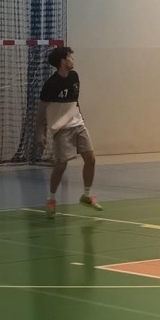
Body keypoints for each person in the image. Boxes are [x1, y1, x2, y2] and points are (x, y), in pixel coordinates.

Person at [37, 47, 102, 218]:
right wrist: (40, 133)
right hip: (61, 128)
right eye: (70, 57)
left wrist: (81, 118)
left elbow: (74, 101)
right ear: (63, 61)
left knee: (91, 159)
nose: (72, 59)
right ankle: (51, 199)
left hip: (78, 124)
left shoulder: (74, 77)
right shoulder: (51, 84)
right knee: (61, 166)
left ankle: (86, 195)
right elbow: (41, 109)